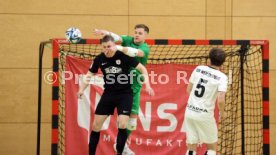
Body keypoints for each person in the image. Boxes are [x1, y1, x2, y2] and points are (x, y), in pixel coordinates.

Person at [77, 35, 154, 155]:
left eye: (109, 46)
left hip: (125, 94)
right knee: (96, 125)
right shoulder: (99, 59)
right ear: (101, 47)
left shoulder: (123, 56)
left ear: (114, 46)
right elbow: (89, 75)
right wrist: (81, 89)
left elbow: (142, 69)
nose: (107, 49)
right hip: (109, 94)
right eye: (104, 47)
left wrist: (147, 85)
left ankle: (119, 152)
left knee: (123, 124)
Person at [94, 24, 150, 154]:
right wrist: (105, 31)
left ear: (146, 35)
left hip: (135, 84)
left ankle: (122, 144)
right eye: (135, 32)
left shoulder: (145, 48)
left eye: (140, 33)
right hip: (123, 83)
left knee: (133, 120)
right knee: (125, 116)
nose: (136, 35)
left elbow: (136, 53)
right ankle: (122, 145)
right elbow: (117, 37)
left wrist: (117, 47)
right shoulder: (128, 39)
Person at [184, 48, 228, 155]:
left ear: (209, 59)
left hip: (190, 112)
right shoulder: (222, 77)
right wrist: (222, 113)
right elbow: (221, 100)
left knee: (191, 146)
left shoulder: (198, 69)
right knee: (212, 147)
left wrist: (195, 103)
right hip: (205, 115)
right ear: (223, 62)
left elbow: (188, 90)